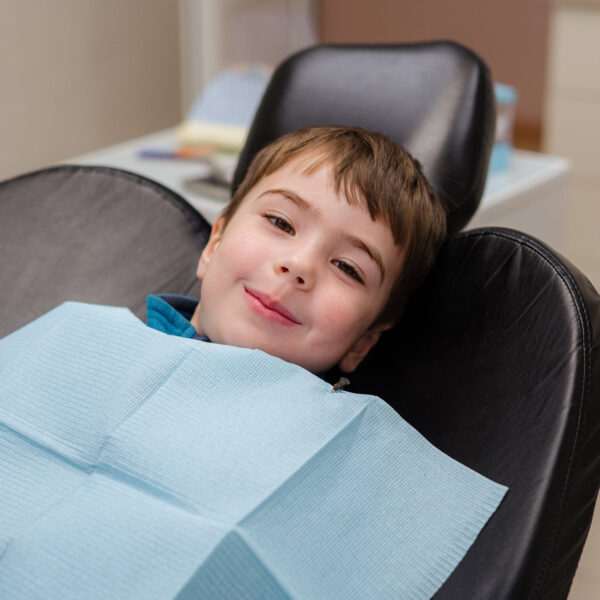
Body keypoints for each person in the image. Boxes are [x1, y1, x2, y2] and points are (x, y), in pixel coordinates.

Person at [146, 125, 447, 374]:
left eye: (347, 267)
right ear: (214, 245)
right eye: (281, 223)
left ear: (363, 342)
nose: (299, 264)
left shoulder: (353, 442)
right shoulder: (105, 348)